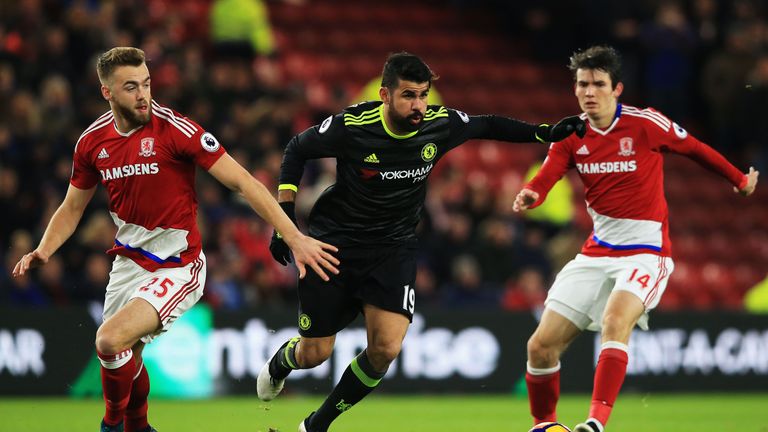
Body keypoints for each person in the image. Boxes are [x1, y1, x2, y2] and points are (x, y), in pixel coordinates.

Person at [11, 47, 340, 432]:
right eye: (131, 87)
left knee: (108, 340)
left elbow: (243, 181)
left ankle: (111, 425)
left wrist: (294, 235)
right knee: (123, 356)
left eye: (147, 84)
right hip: (128, 261)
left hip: (178, 263)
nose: (143, 95)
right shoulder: (91, 142)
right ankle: (139, 427)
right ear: (108, 93)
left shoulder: (176, 130)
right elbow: (71, 207)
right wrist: (44, 249)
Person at [258, 51, 586, 432]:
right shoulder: (353, 125)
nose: (418, 106)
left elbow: (487, 125)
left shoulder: (437, 125)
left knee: (385, 350)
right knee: (315, 353)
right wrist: (285, 222)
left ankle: (316, 425)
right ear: (384, 95)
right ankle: (283, 362)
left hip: (394, 249)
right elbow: (296, 149)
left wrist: (544, 133)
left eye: (423, 95)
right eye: (409, 96)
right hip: (335, 247)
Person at [513, 45, 759, 432]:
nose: (589, 92)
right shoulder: (571, 133)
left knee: (615, 319)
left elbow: (695, 149)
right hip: (597, 252)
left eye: (597, 84)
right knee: (540, 347)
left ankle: (595, 423)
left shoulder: (646, 124)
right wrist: (533, 192)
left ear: (617, 88)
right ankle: (544, 426)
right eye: (582, 84)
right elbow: (550, 172)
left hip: (645, 252)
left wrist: (740, 180)